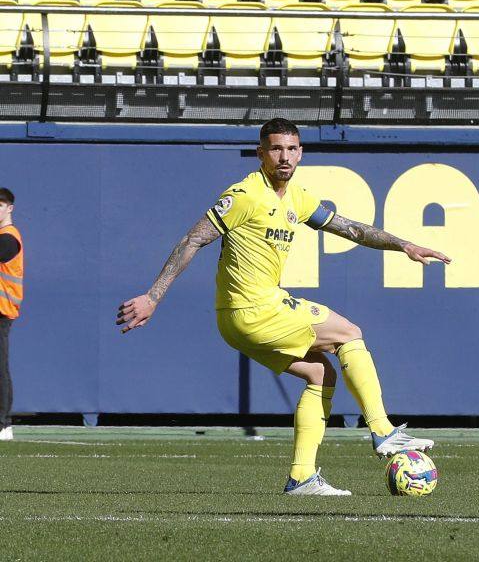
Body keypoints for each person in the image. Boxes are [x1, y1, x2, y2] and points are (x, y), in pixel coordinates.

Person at [117, 118, 451, 495]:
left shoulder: (298, 197)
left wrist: (405, 245)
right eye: (275, 149)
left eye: (291, 149)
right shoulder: (244, 194)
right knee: (350, 333)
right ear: (261, 154)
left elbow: (353, 230)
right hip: (254, 309)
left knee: (320, 374)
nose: (284, 157)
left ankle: (301, 477)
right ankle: (382, 430)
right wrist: (153, 296)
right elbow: (194, 239)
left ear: (301, 153)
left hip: (238, 322)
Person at [0, 187, 23, 442]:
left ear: (10, 208)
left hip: (2, 311)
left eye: (1, 204)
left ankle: (3, 425)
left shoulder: (9, 236)